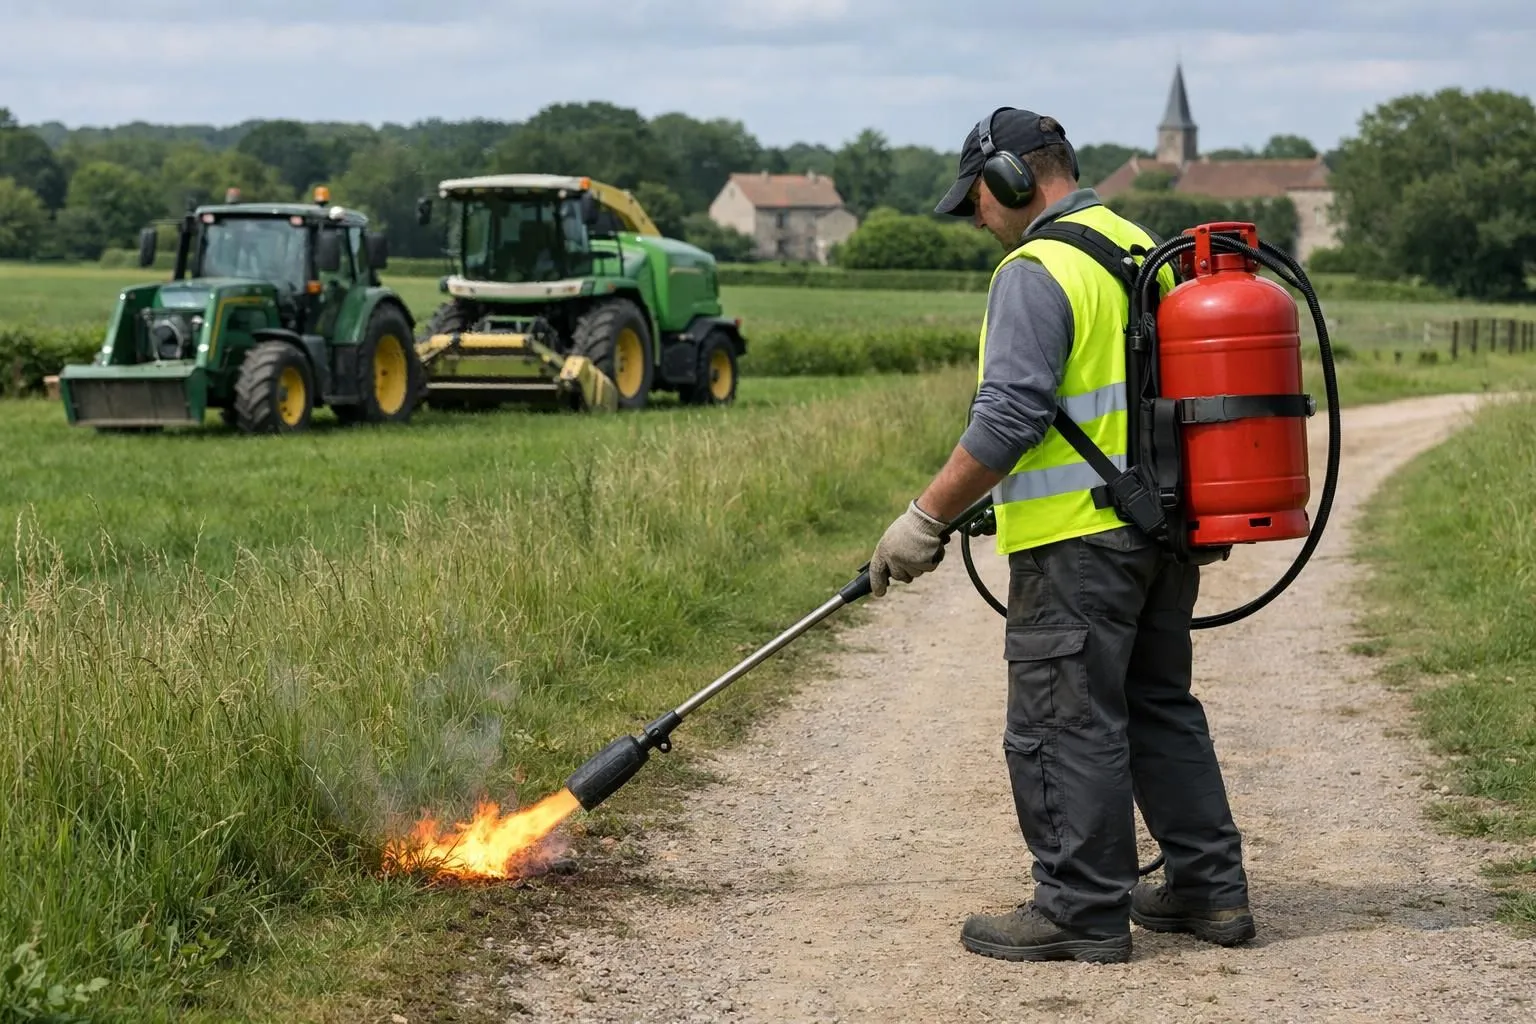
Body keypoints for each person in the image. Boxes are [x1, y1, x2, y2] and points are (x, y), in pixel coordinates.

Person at [866, 106, 1255, 964]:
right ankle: (1208, 890)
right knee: (1158, 708)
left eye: (975, 196)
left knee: (1060, 722)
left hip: (1077, 545)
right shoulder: (1138, 248)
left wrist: (924, 518)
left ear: (1013, 178)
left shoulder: (1036, 269)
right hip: (1159, 535)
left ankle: (1079, 908)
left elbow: (1009, 417)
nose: (974, 216)